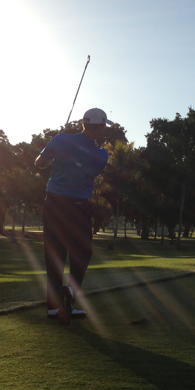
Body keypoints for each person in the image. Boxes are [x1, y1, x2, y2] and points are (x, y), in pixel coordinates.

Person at [34, 108, 112, 324]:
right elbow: (88, 170)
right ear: (101, 127)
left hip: (54, 204)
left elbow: (39, 163)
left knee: (54, 255)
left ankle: (53, 308)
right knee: (82, 253)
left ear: (83, 123)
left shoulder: (61, 139)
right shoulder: (100, 155)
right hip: (78, 207)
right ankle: (69, 292)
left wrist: (55, 154)